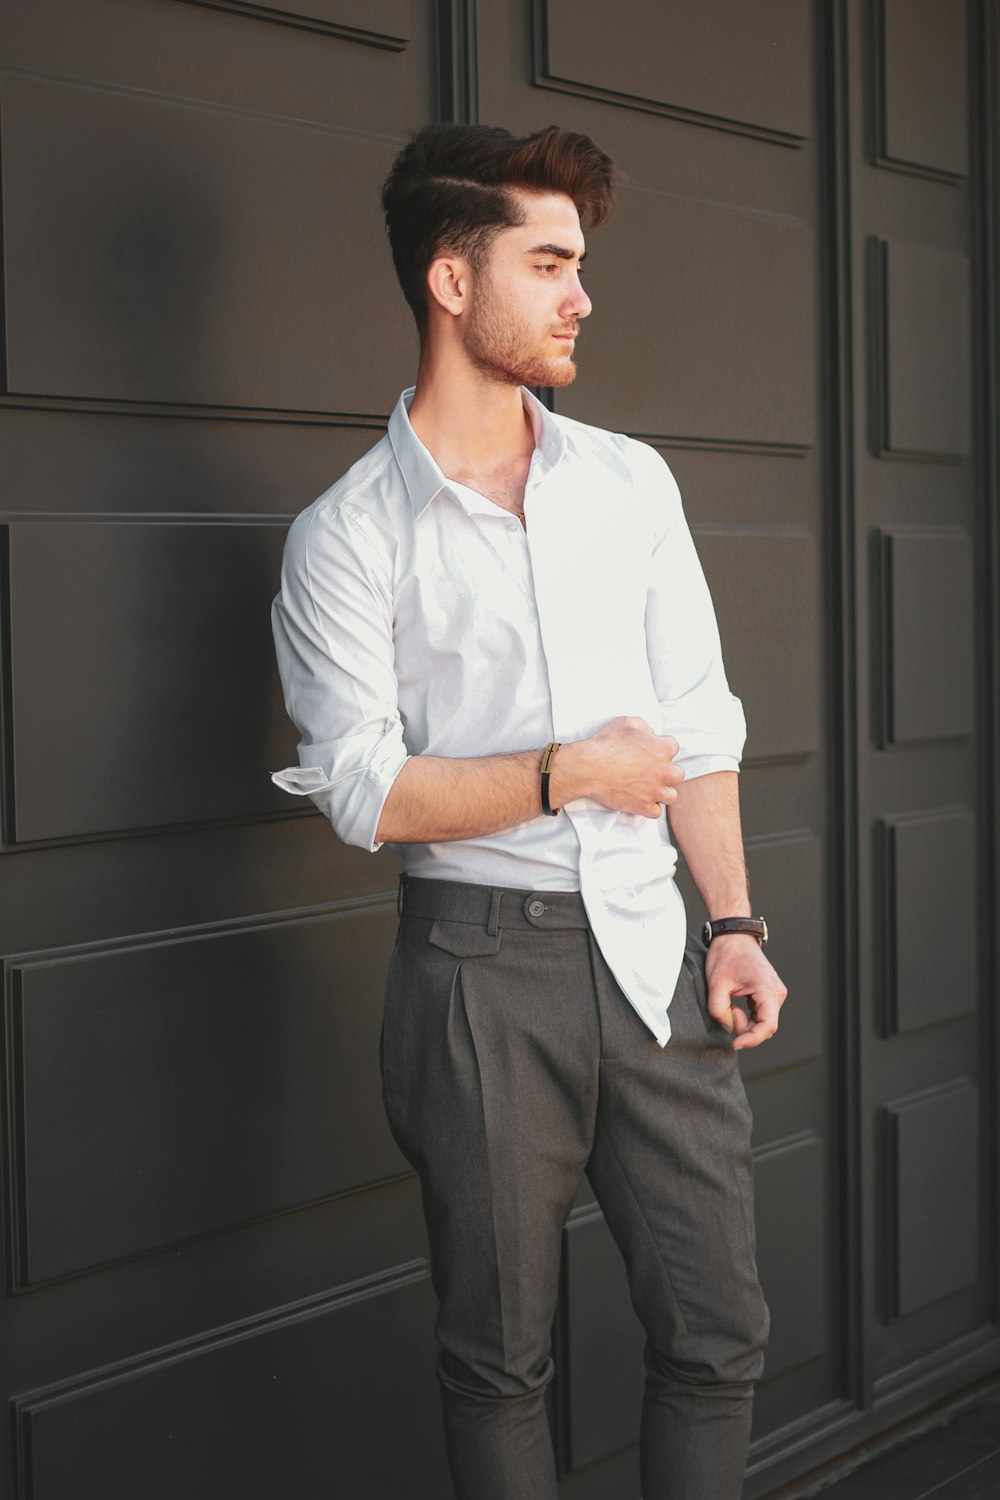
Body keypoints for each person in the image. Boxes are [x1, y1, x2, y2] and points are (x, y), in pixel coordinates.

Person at [271, 121, 787, 1500]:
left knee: (720, 1334)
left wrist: (731, 921)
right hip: (475, 975)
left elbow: (702, 722)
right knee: (499, 1360)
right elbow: (366, 792)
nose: (583, 297)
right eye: (549, 263)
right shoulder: (348, 534)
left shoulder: (631, 482)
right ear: (453, 281)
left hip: (652, 948)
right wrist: (566, 772)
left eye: (582, 264)